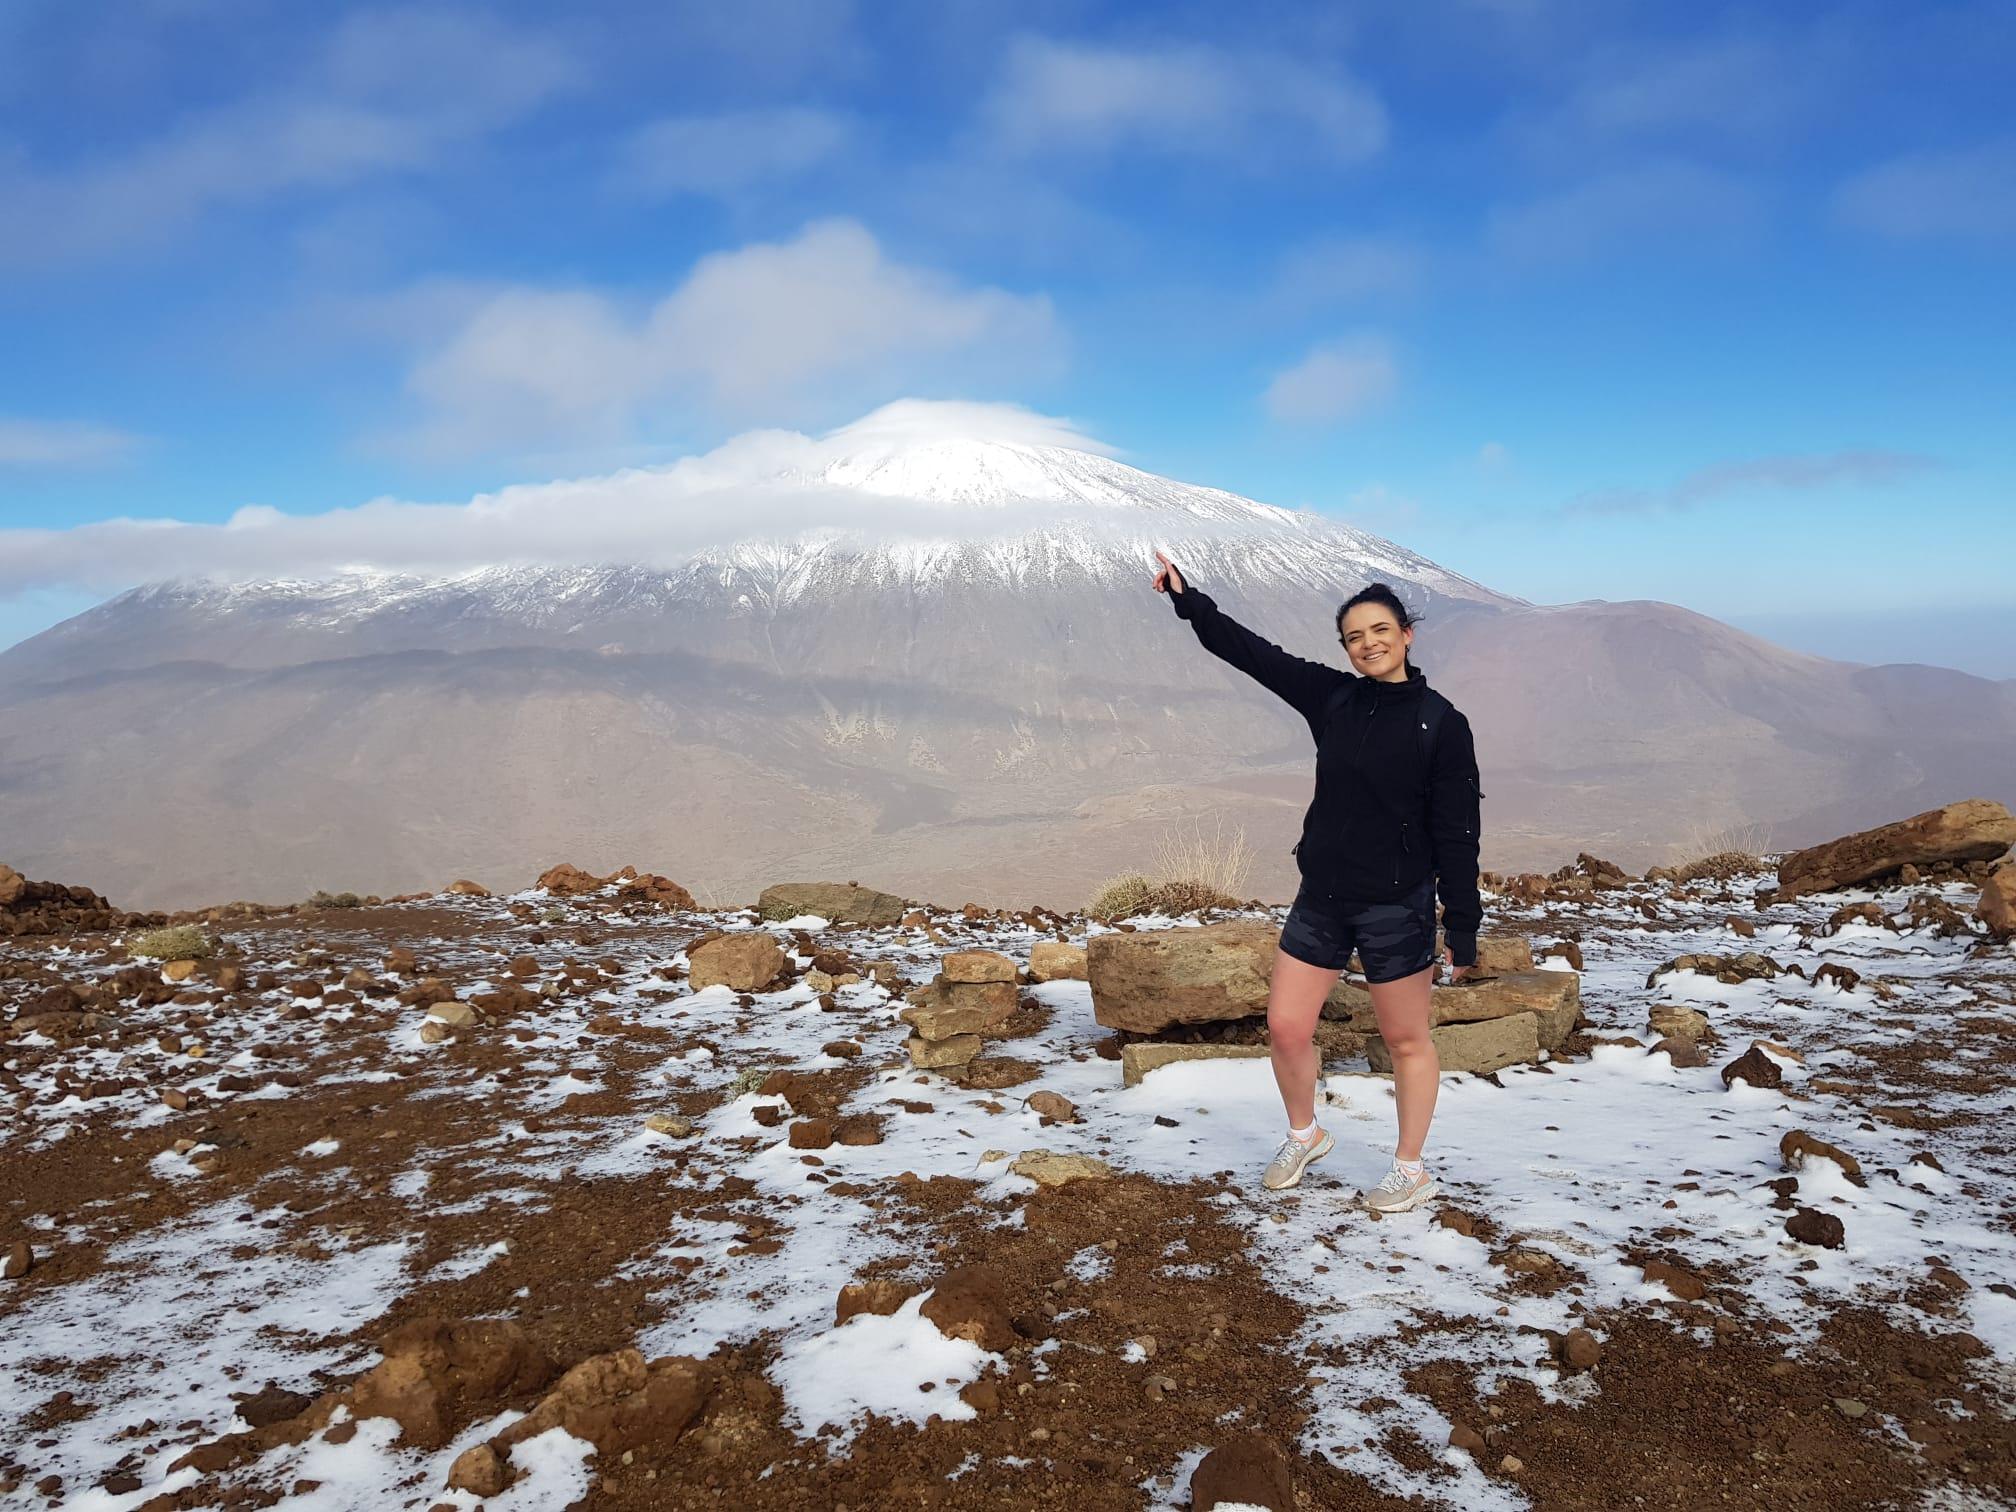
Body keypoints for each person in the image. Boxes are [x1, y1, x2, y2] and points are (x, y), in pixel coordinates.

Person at [1150, 550, 1483, 1213]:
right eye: (1354, 637)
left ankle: (1410, 1168)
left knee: (1407, 1040)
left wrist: (1462, 924)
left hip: (1398, 905)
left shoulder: (1441, 724)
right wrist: (1188, 599)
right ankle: (1305, 1133)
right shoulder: (1331, 697)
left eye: (1380, 631)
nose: (1368, 645)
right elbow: (1250, 653)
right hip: (1323, 897)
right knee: (1285, 1027)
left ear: (1406, 634)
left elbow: (1457, 830)